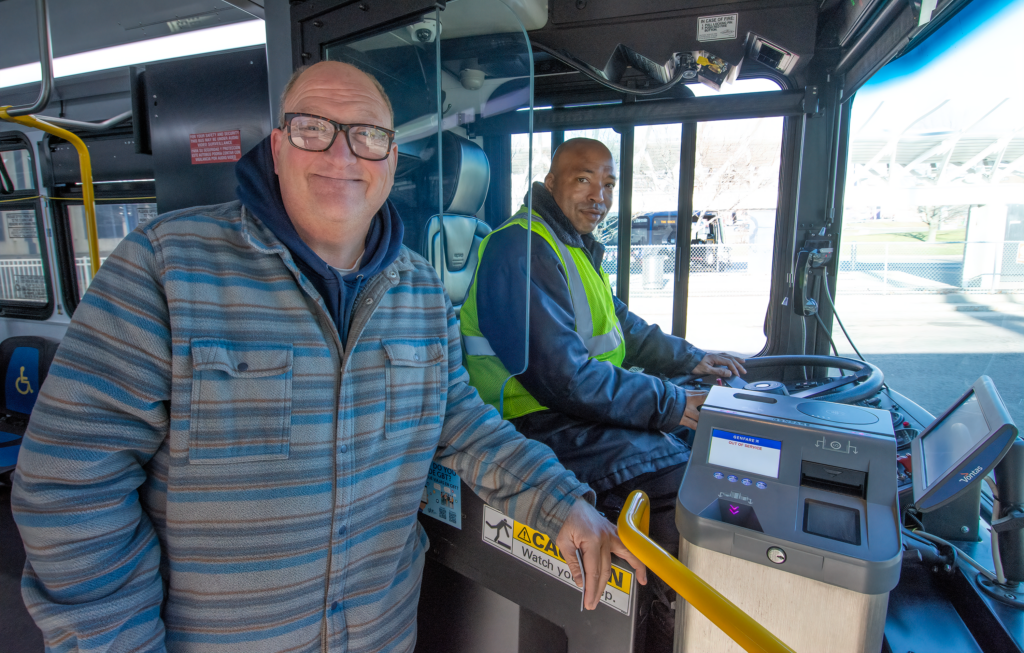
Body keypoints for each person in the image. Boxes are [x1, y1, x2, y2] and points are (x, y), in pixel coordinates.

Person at [11, 63, 645, 653]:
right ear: (279, 147)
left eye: (367, 135)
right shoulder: (164, 269)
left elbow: (460, 422)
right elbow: (69, 487)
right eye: (314, 129)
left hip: (381, 634)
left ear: (391, 159)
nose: (341, 154)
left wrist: (562, 500)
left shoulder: (419, 290)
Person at [460, 137, 746, 651]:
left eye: (609, 184)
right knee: (676, 480)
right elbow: (564, 378)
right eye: (583, 179)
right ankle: (665, 628)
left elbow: (623, 327)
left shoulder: (567, 244)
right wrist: (673, 404)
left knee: (692, 448)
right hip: (531, 422)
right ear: (550, 183)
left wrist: (691, 360)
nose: (599, 196)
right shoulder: (518, 249)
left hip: (572, 411)